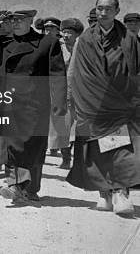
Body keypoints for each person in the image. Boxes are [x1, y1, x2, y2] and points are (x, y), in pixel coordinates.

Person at [0, 5, 67, 203]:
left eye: (20, 19)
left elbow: (57, 74)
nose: (15, 22)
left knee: (33, 147)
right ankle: (15, 185)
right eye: (12, 19)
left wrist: (59, 102)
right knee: (13, 145)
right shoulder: (0, 42)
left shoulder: (46, 43)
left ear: (30, 21)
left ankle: (30, 189)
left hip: (34, 103)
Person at [67, 0, 140, 215]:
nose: (103, 13)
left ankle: (120, 193)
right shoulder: (85, 40)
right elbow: (75, 72)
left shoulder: (129, 38)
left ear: (117, 11)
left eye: (108, 9)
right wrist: (73, 96)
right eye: (99, 8)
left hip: (120, 103)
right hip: (92, 103)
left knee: (119, 148)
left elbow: (136, 71)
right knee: (96, 150)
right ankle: (104, 194)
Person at [50, 18, 83, 169]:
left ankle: (79, 159)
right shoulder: (57, 49)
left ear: (77, 34)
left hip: (81, 94)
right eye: (64, 32)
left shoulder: (83, 48)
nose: (66, 35)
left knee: (79, 127)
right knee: (62, 126)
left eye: (70, 32)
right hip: (61, 93)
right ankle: (66, 158)